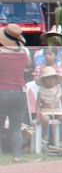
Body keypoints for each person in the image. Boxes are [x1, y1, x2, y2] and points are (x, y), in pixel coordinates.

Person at [0, 24, 31, 161]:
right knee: (16, 127)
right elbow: (28, 65)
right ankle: (17, 156)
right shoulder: (24, 52)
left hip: (2, 92)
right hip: (19, 92)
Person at [33, 64, 62, 149]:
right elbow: (38, 105)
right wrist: (37, 116)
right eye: (48, 78)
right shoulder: (41, 91)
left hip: (57, 110)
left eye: (52, 78)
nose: (50, 80)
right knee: (45, 119)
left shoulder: (58, 88)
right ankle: (44, 138)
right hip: (45, 110)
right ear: (44, 80)